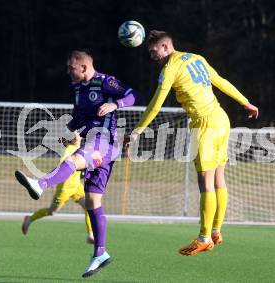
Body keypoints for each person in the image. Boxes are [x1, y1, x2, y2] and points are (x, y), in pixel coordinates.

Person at [126, 31, 259, 256]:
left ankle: (204, 237)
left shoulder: (170, 69)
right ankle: (216, 230)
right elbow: (221, 81)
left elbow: (156, 103)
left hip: (204, 124)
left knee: (205, 183)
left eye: (154, 51)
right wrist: (246, 102)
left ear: (166, 47)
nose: (153, 56)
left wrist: (137, 130)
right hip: (221, 118)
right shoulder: (196, 57)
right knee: (219, 178)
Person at [15, 49, 137, 277]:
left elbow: (132, 94)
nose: (68, 71)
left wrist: (116, 105)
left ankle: (40, 185)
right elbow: (79, 116)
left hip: (105, 141)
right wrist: (68, 131)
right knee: (92, 202)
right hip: (93, 140)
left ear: (83, 67)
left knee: (73, 159)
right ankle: (100, 253)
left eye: (71, 68)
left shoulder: (104, 82)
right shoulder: (77, 89)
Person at [21, 143, 95, 244]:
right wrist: (50, 178)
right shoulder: (69, 149)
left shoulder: (80, 148)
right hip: (65, 189)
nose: (80, 136)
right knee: (52, 211)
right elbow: (62, 165)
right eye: (77, 134)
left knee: (89, 207)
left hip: (77, 186)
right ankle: (29, 219)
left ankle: (91, 234)